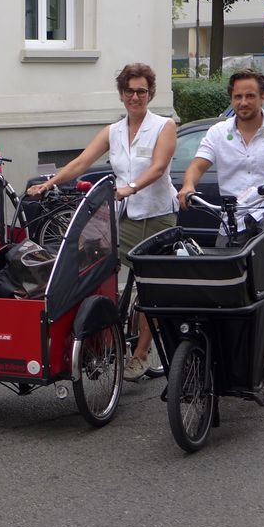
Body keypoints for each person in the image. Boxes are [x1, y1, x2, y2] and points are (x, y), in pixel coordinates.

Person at [26, 63, 178, 381]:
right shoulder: (114, 131)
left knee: (151, 288)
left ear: (150, 93)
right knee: (94, 272)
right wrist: (49, 183)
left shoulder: (164, 126)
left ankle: (140, 355)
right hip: (122, 216)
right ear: (121, 94)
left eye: (141, 91)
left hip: (157, 215)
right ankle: (101, 333)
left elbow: (159, 167)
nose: (135, 96)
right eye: (129, 91)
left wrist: (128, 188)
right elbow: (81, 162)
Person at [177, 69, 264, 304]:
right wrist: (187, 186)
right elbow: (197, 166)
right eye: (238, 97)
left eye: (250, 96)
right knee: (222, 266)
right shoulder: (218, 132)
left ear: (262, 97)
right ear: (231, 99)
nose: (243, 102)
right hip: (234, 213)